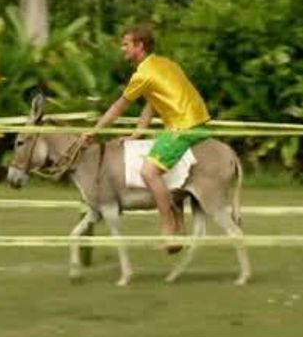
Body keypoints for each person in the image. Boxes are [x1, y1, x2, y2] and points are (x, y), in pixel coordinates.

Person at [80, 24, 211, 253]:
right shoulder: (163, 64)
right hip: (193, 121)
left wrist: (94, 131)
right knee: (159, 166)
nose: (123, 49)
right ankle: (177, 225)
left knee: (149, 171)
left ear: (139, 46)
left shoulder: (142, 74)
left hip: (183, 126)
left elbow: (119, 106)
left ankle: (170, 229)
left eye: (126, 44)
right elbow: (153, 101)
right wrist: (139, 132)